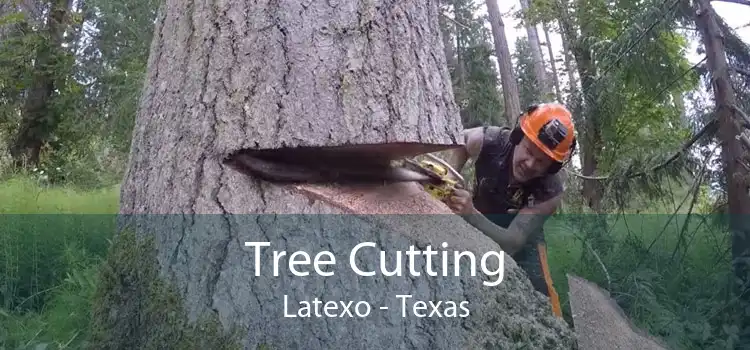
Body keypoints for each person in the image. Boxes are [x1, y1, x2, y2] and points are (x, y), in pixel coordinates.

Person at [443, 103, 577, 318]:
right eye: (528, 151)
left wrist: (470, 214)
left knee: (543, 297)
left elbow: (513, 243)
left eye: (541, 162)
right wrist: (449, 179)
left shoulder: (550, 191)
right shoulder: (492, 140)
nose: (530, 164)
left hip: (523, 241)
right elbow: (462, 141)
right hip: (479, 217)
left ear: (552, 167)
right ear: (517, 137)